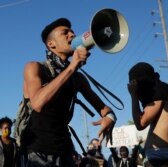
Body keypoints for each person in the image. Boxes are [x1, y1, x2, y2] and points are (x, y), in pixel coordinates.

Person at [22, 18, 117, 166]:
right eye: (64, 33)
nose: (72, 35)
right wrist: (72, 67)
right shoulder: (35, 68)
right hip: (37, 152)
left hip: (66, 151)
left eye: (72, 32)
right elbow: (37, 103)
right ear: (51, 44)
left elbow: (103, 108)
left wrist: (110, 117)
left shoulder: (77, 79)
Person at [127, 62, 168, 167]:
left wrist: (134, 95)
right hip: (159, 155)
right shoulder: (164, 91)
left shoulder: (159, 93)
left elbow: (140, 124)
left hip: (160, 157)